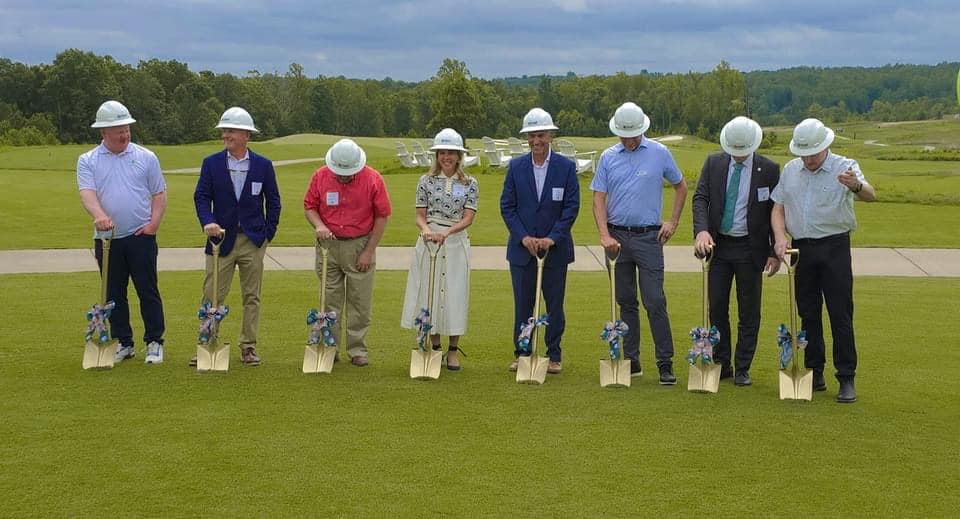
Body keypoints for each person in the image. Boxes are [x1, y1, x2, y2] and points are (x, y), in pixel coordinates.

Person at [771, 118, 875, 404]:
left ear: (826, 146)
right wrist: (779, 237)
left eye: (813, 154)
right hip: (802, 250)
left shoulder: (845, 166)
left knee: (840, 313)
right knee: (808, 313)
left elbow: (870, 194)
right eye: (803, 154)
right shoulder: (791, 170)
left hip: (835, 247)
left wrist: (855, 185)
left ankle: (846, 377)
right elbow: (778, 207)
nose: (808, 159)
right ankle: (815, 371)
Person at [590, 102, 687, 385]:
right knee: (625, 301)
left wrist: (673, 222)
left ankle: (665, 362)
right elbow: (598, 197)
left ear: (642, 130)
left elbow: (680, 186)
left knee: (654, 300)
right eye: (623, 135)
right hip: (617, 238)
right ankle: (632, 360)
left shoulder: (659, 153)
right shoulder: (608, 157)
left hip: (649, 236)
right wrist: (604, 234)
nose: (628, 140)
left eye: (632, 135)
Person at [692, 116, 781, 387]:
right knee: (717, 306)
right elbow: (700, 198)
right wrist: (702, 230)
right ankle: (722, 362)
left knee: (749, 311)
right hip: (718, 247)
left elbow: (775, 211)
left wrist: (773, 251)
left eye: (743, 151)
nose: (739, 156)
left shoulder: (769, 169)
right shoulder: (713, 163)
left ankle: (743, 367)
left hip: (750, 249)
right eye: (734, 151)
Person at [77, 100, 167, 364]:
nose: (124, 134)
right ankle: (123, 342)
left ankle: (154, 341)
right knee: (114, 293)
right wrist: (99, 216)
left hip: (141, 236)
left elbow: (159, 193)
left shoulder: (146, 157)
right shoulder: (88, 160)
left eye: (126, 128)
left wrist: (153, 225)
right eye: (118, 130)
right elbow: (87, 193)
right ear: (103, 132)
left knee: (147, 290)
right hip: (107, 240)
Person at [193, 107, 281, 367]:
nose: (225, 135)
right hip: (220, 240)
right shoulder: (211, 163)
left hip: (253, 240)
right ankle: (208, 342)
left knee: (251, 296)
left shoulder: (263, 166)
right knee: (212, 294)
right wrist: (208, 221)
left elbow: (273, 202)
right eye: (224, 131)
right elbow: (201, 197)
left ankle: (248, 346)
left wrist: (267, 234)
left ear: (246, 135)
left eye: (230, 131)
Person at [500, 108, 580, 374]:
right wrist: (523, 237)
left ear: (551, 136)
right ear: (526, 138)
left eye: (542, 135)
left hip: (555, 252)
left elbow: (571, 208)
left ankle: (553, 354)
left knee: (554, 305)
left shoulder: (566, 168)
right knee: (523, 303)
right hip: (522, 252)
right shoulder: (516, 167)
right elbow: (507, 207)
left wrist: (551, 238)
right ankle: (522, 352)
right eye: (532, 136)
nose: (537, 141)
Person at [304, 139, 391, 366]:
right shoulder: (320, 176)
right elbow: (310, 206)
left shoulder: (373, 179)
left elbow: (382, 216)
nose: (343, 177)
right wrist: (319, 225)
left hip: (360, 244)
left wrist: (368, 251)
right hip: (328, 245)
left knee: (359, 301)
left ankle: (357, 349)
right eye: (339, 173)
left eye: (347, 173)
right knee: (329, 299)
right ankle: (329, 347)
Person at [400, 128, 478, 370]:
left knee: (454, 295)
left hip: (455, 243)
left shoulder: (470, 183)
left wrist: (448, 231)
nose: (446, 157)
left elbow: (468, 218)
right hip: (429, 242)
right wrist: (426, 229)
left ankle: (453, 351)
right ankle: (434, 347)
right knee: (430, 293)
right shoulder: (425, 181)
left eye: (451, 153)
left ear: (459, 156)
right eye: (442, 152)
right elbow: (420, 215)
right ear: (436, 155)